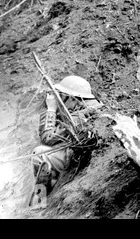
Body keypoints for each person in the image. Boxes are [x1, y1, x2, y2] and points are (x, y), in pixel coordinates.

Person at [28, 75, 102, 207]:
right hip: (84, 156)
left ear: (71, 98)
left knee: (39, 154)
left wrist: (51, 109)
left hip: (76, 160)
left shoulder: (79, 115)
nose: (58, 99)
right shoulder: (92, 107)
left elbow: (48, 139)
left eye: (61, 96)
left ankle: (39, 201)